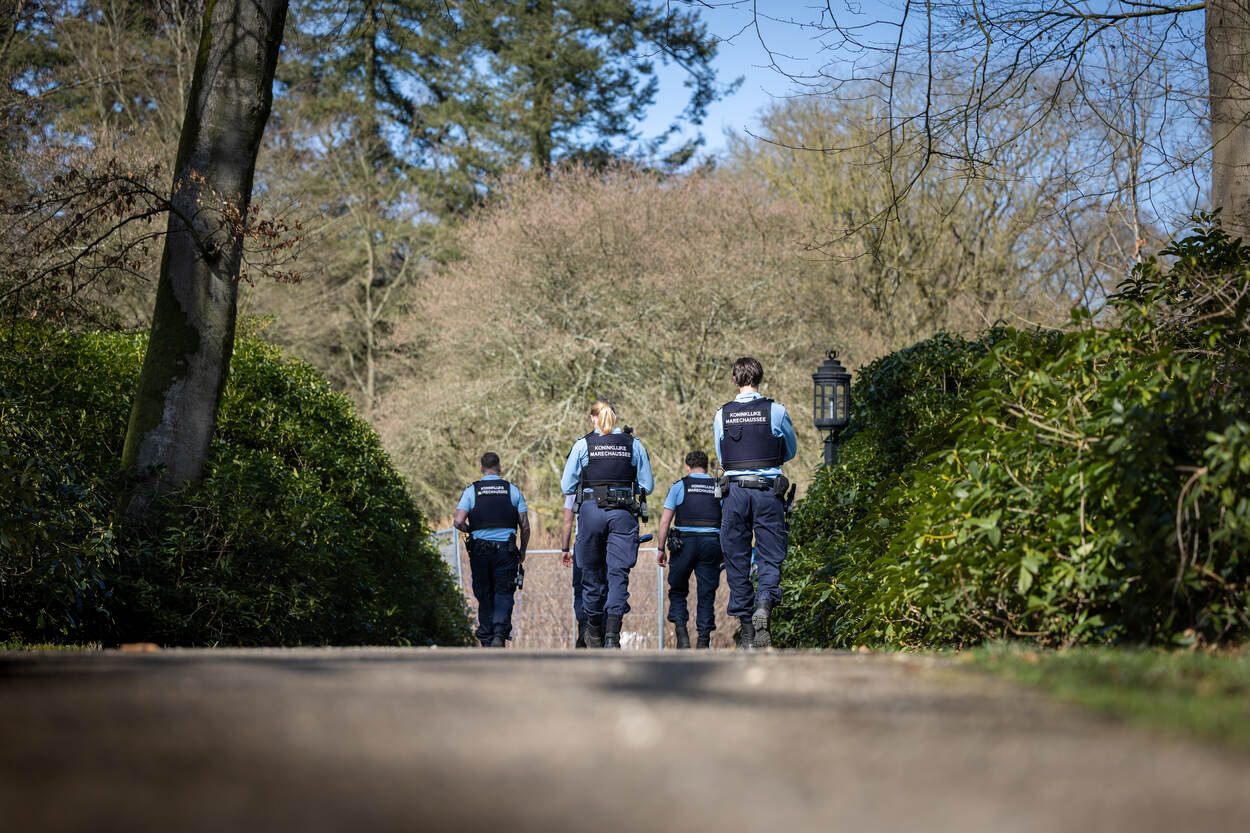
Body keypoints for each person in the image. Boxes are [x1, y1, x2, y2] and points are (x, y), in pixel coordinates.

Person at [713, 357, 796, 649]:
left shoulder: (722, 414)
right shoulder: (776, 410)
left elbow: (722, 457)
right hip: (767, 492)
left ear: (735, 380)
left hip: (734, 493)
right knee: (769, 556)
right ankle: (764, 605)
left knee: (736, 559)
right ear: (759, 379)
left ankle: (747, 632)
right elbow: (790, 451)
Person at [560, 399, 654, 648]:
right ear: (614, 416)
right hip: (623, 512)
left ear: (593, 418)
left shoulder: (583, 444)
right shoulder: (633, 444)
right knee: (618, 574)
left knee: (591, 574)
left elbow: (567, 486)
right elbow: (647, 486)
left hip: (591, 511)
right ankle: (612, 635)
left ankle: (594, 632)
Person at [453, 452, 530, 647]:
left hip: (480, 551)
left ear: (481, 469)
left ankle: (487, 637)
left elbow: (458, 521)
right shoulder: (512, 490)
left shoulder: (472, 491)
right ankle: (499, 634)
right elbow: (525, 526)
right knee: (504, 592)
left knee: (484, 592)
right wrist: (523, 550)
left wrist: (471, 530)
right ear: (500, 468)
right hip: (506, 551)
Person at [655, 450, 723, 649]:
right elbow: (729, 520)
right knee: (706, 594)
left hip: (683, 545)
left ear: (687, 467)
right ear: (707, 467)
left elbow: (665, 521)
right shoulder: (719, 486)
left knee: (677, 590)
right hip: (711, 544)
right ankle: (703, 641)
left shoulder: (679, 486)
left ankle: (682, 635)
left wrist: (661, 548)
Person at [559, 494, 587, 648]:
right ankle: (605, 633)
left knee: (581, 588)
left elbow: (567, 523)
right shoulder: (612, 481)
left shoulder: (574, 489)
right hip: (609, 542)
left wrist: (565, 549)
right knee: (606, 586)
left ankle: (584, 628)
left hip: (583, 543)